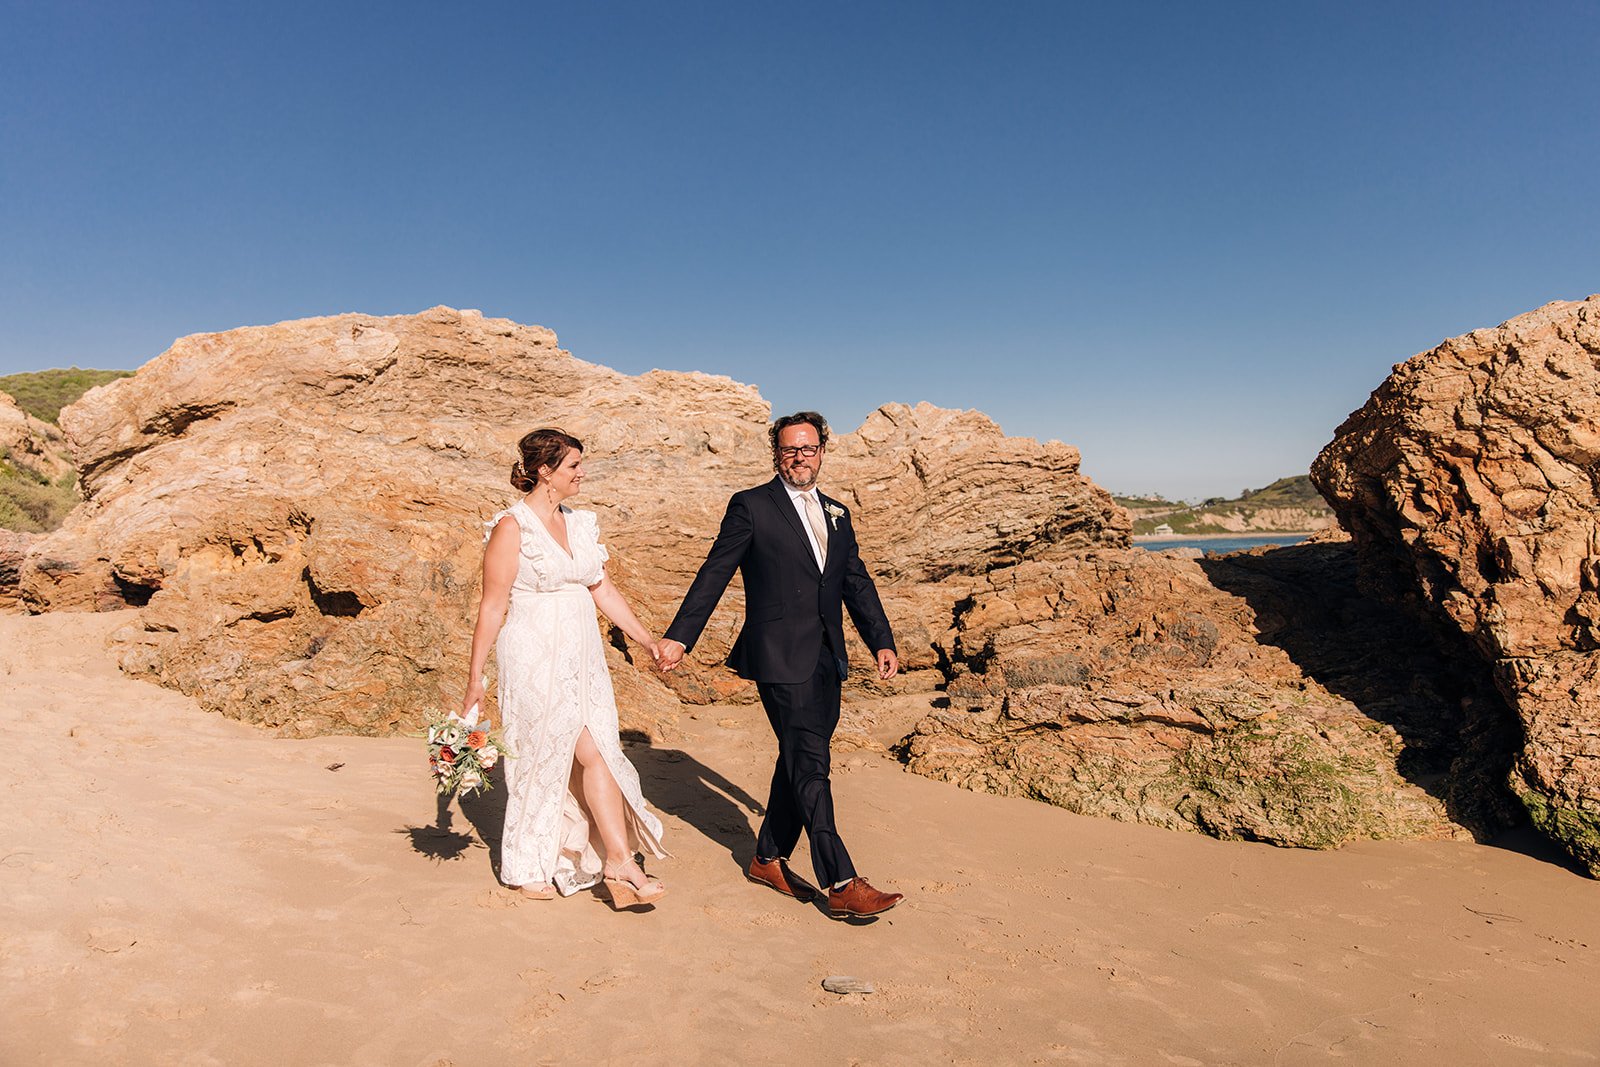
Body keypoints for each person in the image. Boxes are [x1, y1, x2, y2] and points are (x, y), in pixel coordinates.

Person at [657, 411, 904, 918]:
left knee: (799, 757)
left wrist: (881, 640)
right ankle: (840, 879)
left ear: (821, 453)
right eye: (790, 449)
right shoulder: (751, 506)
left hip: (827, 658)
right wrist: (681, 637)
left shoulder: (838, 512)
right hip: (777, 656)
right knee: (810, 762)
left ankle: (767, 857)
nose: (799, 457)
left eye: (808, 448)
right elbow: (715, 573)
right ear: (776, 453)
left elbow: (854, 581)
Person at [463, 428, 668, 908]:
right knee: (540, 756)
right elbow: (492, 606)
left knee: (597, 752)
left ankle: (617, 861)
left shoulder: (580, 524)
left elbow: (603, 591)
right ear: (544, 471)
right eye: (573, 465)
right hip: (534, 655)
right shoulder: (511, 527)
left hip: (583, 656)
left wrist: (646, 639)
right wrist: (476, 677)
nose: (582, 473)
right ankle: (528, 862)